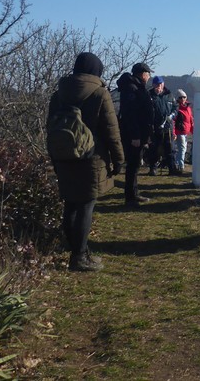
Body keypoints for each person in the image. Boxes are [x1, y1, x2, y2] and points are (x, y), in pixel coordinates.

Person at [48, 52, 125, 272]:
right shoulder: (100, 93)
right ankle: (79, 257)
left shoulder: (58, 95)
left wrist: (54, 157)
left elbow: (50, 127)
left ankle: (73, 247)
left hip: (63, 155)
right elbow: (111, 131)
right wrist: (119, 159)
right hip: (91, 157)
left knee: (70, 203)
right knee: (85, 205)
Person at [117, 62, 155, 207]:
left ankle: (134, 193)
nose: (149, 76)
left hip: (140, 133)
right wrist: (135, 136)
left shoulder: (137, 87)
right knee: (132, 165)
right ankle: (130, 197)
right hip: (134, 135)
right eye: (148, 73)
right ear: (142, 74)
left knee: (135, 165)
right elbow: (130, 114)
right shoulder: (131, 88)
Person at [147, 75, 177, 175]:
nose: (159, 86)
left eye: (160, 84)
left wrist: (172, 115)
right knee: (153, 148)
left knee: (170, 148)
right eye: (157, 84)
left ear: (163, 84)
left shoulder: (169, 95)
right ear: (153, 85)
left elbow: (175, 108)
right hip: (154, 127)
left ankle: (172, 168)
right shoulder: (149, 95)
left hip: (168, 127)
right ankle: (153, 168)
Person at [173, 88, 193, 174]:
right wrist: (174, 133)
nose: (183, 99)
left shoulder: (188, 108)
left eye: (184, 97)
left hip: (186, 132)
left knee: (183, 149)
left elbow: (191, 120)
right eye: (180, 97)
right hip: (179, 132)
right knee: (182, 149)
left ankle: (178, 164)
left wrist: (193, 130)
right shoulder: (177, 109)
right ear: (177, 98)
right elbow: (173, 121)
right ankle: (180, 166)